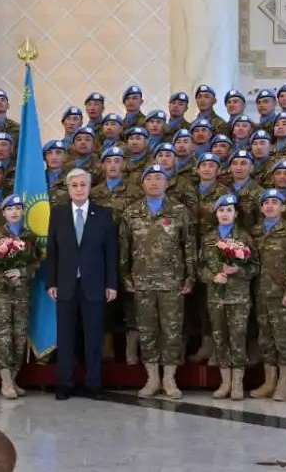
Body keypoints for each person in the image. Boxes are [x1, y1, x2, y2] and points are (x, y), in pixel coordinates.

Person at [122, 165, 195, 400]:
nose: (154, 182)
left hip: (171, 282)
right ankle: (152, 378)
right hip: (142, 281)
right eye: (149, 178)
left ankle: (169, 379)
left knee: (172, 331)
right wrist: (125, 276)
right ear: (143, 183)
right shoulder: (132, 212)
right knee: (147, 331)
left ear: (167, 182)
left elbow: (190, 247)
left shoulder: (179, 211)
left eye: (159, 178)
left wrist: (190, 277)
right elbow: (124, 248)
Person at [46, 168, 118, 400]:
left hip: (94, 284)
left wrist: (111, 284)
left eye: (82, 185)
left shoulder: (104, 214)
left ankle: (94, 383)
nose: (79, 189)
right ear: (68, 189)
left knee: (94, 337)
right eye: (74, 185)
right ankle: (64, 383)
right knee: (65, 338)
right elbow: (52, 252)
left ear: (89, 188)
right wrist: (52, 282)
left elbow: (111, 253)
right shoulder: (58, 214)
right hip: (65, 285)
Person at [199, 194, 257, 400]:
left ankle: (238, 384)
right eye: (221, 210)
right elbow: (200, 268)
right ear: (215, 214)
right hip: (216, 297)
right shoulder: (208, 239)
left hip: (238, 297)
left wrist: (237, 271)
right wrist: (212, 276)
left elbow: (254, 268)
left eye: (229, 210)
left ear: (236, 214)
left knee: (238, 339)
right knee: (220, 339)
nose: (225, 214)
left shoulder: (244, 237)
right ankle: (225, 383)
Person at [249, 188, 286, 402]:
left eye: (275, 202)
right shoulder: (255, 232)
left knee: (284, 340)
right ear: (261, 208)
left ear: (283, 207)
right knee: (266, 339)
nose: (270, 206)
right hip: (261, 293)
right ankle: (269, 381)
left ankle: (283, 383)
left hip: (283, 295)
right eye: (266, 203)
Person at [0, 194, 39, 399]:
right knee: (3, 335)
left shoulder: (29, 236)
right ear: (3, 212)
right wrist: (5, 277)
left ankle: (14, 379)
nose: (14, 212)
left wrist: (21, 273)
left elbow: (35, 262)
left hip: (22, 292)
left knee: (19, 335)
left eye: (18, 208)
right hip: (1, 292)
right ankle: (5, 381)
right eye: (10, 208)